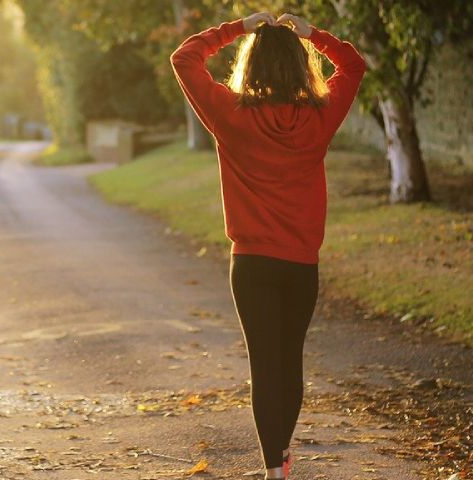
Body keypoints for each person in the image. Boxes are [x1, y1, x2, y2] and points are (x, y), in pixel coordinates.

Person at [170, 11, 366, 480]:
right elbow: (354, 66)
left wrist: (239, 27)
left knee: (265, 365)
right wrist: (312, 34)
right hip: (300, 265)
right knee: (289, 360)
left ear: (251, 66)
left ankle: (274, 468)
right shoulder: (319, 117)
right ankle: (281, 456)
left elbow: (185, 58)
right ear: (301, 67)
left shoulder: (230, 115)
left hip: (252, 264)